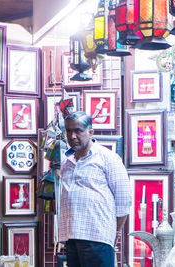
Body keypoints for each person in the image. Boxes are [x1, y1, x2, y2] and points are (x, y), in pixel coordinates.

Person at [59, 111, 132, 267]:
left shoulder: (107, 158)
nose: (72, 136)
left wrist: (113, 232)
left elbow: (124, 200)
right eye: (69, 131)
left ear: (90, 132)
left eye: (78, 130)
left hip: (97, 236)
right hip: (71, 237)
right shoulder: (66, 161)